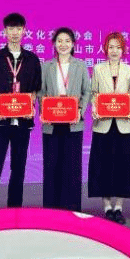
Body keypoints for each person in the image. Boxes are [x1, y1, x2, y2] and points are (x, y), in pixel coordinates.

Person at [0, 12, 42, 209]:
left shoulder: (32, 59)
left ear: (24, 31)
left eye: (18, 29)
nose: (15, 32)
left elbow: (36, 88)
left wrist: (30, 105)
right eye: (11, 28)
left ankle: (15, 208)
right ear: (4, 31)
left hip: (22, 122)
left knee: (18, 167)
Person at [38, 27, 92, 211]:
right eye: (59, 41)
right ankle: (51, 208)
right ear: (54, 44)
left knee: (72, 165)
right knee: (51, 164)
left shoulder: (80, 65)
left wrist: (80, 111)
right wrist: (45, 110)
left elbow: (87, 91)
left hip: (73, 123)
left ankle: (71, 207)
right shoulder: (46, 66)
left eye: (67, 41)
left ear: (73, 44)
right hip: (51, 123)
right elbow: (41, 92)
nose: (63, 44)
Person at [88, 32, 130, 224]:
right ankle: (107, 206)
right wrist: (95, 109)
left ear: (123, 50)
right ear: (105, 49)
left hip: (124, 125)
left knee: (123, 166)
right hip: (103, 124)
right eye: (111, 47)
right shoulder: (98, 69)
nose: (114, 51)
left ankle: (118, 207)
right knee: (103, 165)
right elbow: (94, 93)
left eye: (118, 47)